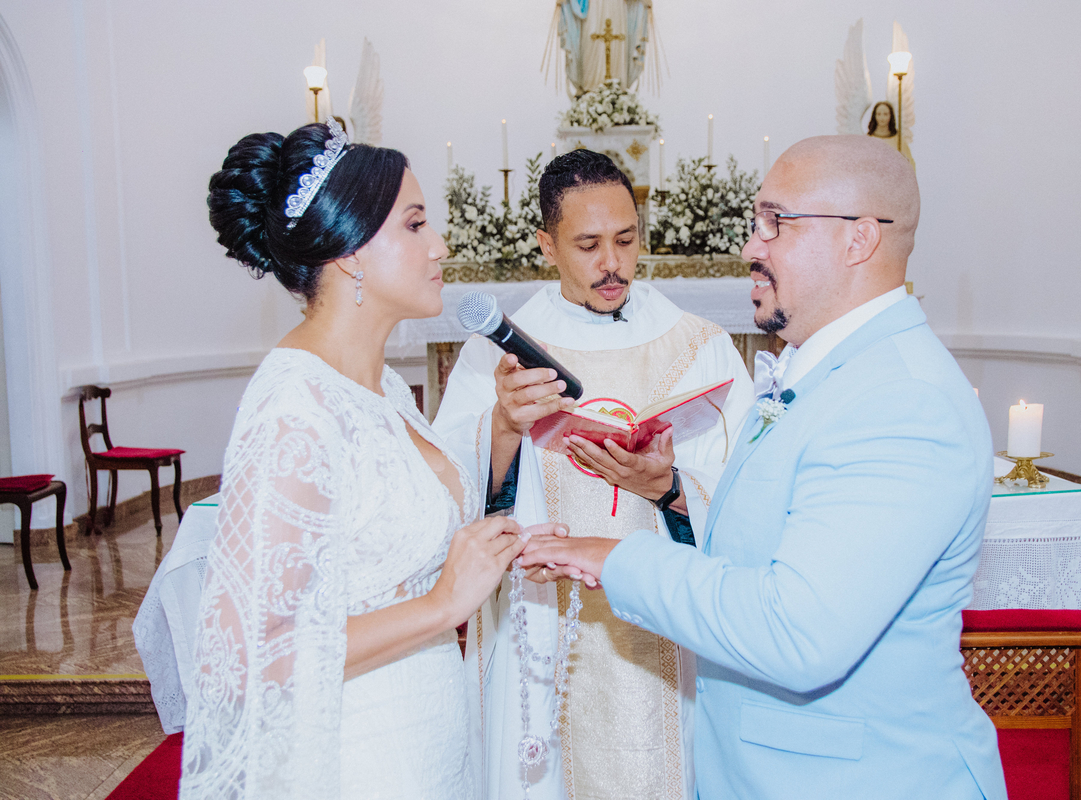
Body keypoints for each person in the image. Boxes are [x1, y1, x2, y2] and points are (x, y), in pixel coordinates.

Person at [520, 136, 1008, 799]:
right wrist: (670, 491)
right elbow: (771, 539)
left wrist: (615, 558)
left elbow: (797, 631)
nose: (752, 247)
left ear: (857, 240)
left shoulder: (902, 402)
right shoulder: (821, 371)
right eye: (756, 223)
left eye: (775, 223)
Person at [184, 118, 547, 800]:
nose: (439, 245)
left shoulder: (375, 384)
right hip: (358, 758)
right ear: (349, 252)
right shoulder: (294, 409)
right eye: (414, 225)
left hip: (431, 735)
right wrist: (443, 605)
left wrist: (503, 434)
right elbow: (252, 655)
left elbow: (399, 523)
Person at [432, 149, 755, 800]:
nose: (612, 263)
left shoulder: (697, 344)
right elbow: (448, 493)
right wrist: (501, 425)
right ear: (546, 245)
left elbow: (748, 493)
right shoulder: (498, 351)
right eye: (588, 245)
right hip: (541, 616)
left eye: (626, 240)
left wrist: (667, 487)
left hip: (663, 622)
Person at [866, 100, 914, 167]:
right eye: (879, 114)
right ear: (874, 116)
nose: (882, 118)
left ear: (890, 116)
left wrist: (904, 161)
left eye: (885, 114)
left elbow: (910, 163)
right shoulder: (867, 139)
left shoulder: (898, 140)